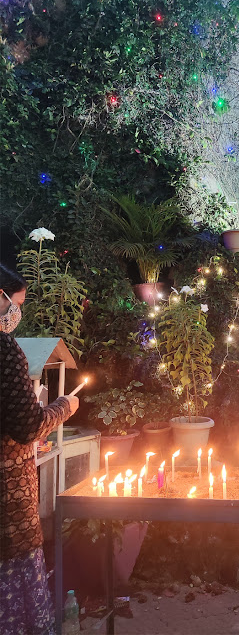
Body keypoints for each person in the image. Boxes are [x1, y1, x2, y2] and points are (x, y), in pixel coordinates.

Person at [0, 264, 79, 635]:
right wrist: (63, 408)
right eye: (16, 303)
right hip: (7, 500)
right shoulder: (5, 352)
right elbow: (28, 425)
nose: (18, 313)